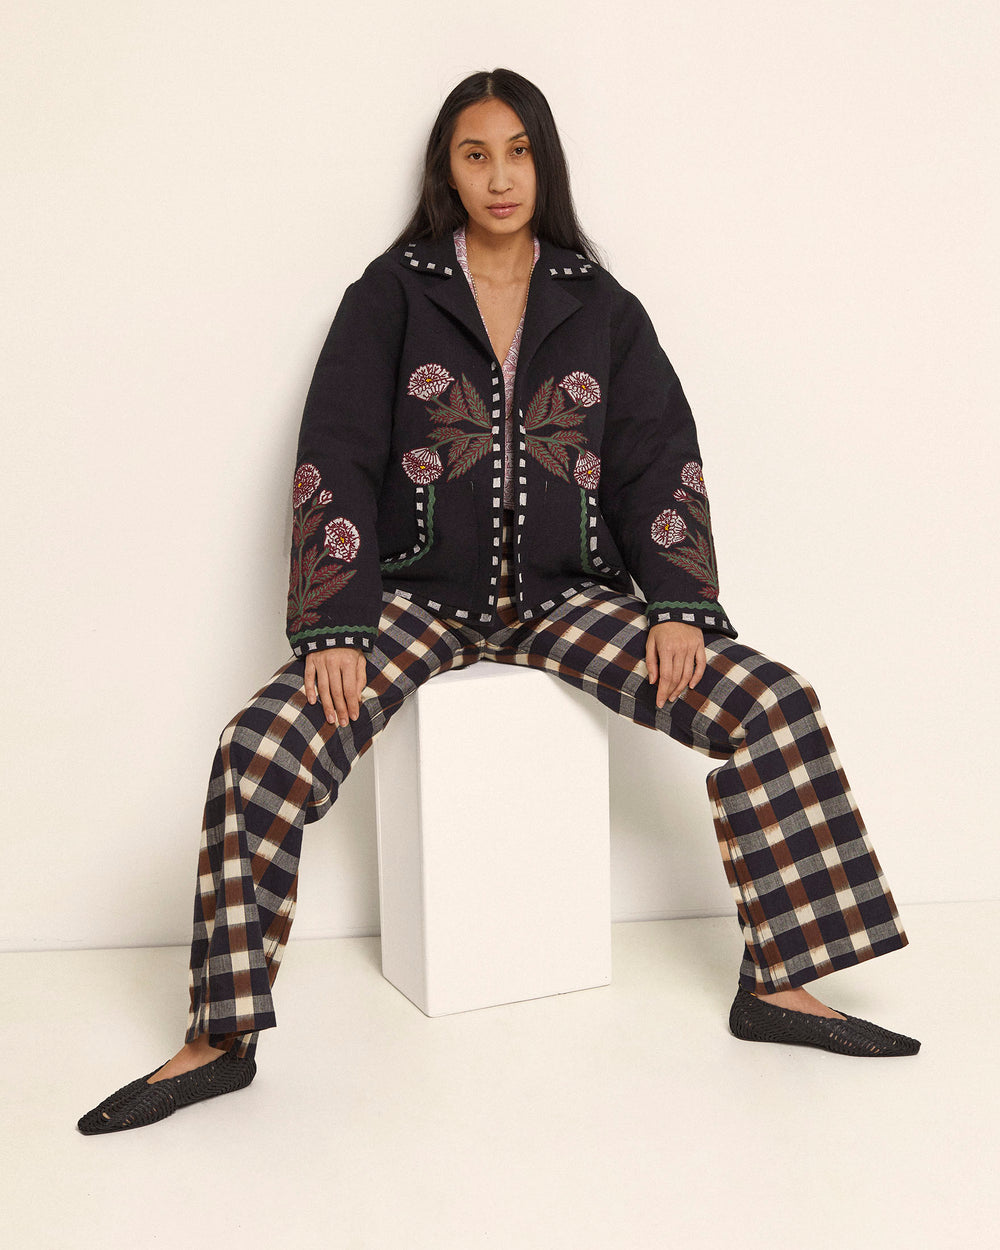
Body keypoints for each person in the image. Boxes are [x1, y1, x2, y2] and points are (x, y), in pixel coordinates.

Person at [77, 67, 919, 1136]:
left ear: (544, 160)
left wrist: (675, 605)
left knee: (772, 700)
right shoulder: (392, 293)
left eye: (517, 150)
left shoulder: (599, 305)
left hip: (567, 600)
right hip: (415, 602)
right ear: (448, 171)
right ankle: (219, 1034)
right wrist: (337, 618)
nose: (499, 174)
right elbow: (334, 450)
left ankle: (778, 981)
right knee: (259, 746)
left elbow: (659, 458)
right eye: (475, 153)